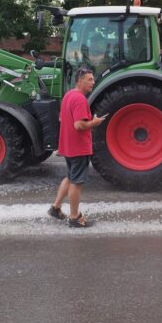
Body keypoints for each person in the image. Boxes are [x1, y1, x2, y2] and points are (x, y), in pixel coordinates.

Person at [48, 68, 106, 228]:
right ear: (79, 81)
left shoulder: (68, 95)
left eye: (93, 79)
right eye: (89, 79)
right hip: (79, 147)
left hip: (68, 146)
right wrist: (94, 123)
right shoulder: (80, 99)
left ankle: (55, 208)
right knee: (77, 182)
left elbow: (64, 119)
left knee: (70, 177)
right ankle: (74, 218)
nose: (93, 82)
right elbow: (79, 125)